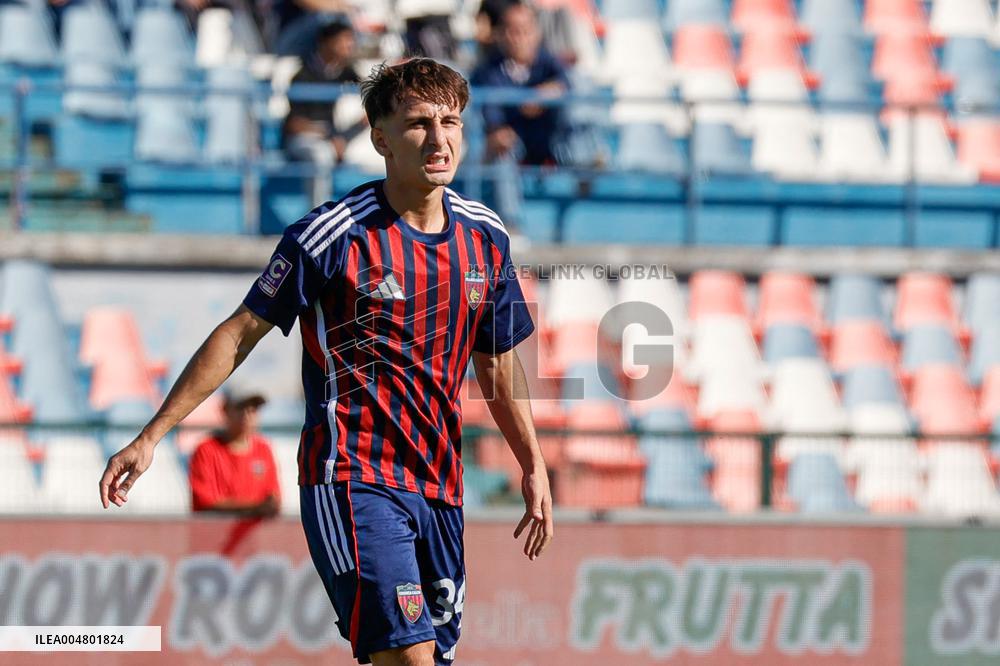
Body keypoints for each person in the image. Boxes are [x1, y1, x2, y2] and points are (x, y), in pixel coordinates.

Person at [99, 57, 553, 666]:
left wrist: (533, 463)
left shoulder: (485, 237)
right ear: (380, 138)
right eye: (419, 123)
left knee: (430, 659)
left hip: (441, 487)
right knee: (410, 658)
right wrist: (152, 435)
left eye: (451, 122)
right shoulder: (332, 236)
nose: (439, 139)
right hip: (354, 478)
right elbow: (238, 334)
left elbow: (496, 365)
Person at [470, 2, 569, 166]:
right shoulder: (488, 72)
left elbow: (567, 83)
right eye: (513, 31)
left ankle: (587, 169)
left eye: (525, 30)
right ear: (501, 34)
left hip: (552, 147)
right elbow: (493, 122)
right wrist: (499, 132)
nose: (519, 38)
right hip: (512, 151)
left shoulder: (549, 62)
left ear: (537, 33)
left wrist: (550, 92)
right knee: (501, 156)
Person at [284, 20, 364, 204]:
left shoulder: (346, 72)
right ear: (326, 42)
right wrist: (331, 136)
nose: (349, 45)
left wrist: (343, 137)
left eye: (351, 40)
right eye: (343, 40)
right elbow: (295, 125)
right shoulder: (303, 75)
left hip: (332, 138)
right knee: (321, 155)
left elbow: (370, 93)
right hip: (303, 140)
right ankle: (319, 213)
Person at [188, 384, 281, 517]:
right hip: (215, 529)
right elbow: (204, 502)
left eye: (253, 409)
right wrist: (256, 508)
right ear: (225, 410)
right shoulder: (206, 450)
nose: (247, 415)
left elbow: (274, 498)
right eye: (241, 408)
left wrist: (265, 506)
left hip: (255, 529)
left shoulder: (264, 449)